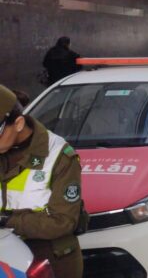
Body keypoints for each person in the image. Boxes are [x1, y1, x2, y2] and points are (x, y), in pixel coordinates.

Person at [0, 85, 85, 278]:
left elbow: (62, 222)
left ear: (19, 123)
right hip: (6, 258)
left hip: (50, 259)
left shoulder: (58, 156)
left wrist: (6, 220)